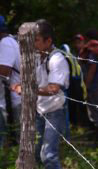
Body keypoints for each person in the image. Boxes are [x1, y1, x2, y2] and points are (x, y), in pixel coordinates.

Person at [12, 19, 69, 169]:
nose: (32, 44)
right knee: (34, 153)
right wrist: (19, 86)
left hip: (55, 111)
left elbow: (53, 89)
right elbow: (25, 81)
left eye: (36, 40)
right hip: (38, 111)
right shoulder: (35, 57)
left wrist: (27, 90)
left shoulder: (57, 59)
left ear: (48, 40)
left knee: (48, 155)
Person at [79, 29, 98, 146]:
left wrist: (87, 85)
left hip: (94, 86)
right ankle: (96, 138)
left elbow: (92, 68)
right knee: (94, 111)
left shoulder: (92, 51)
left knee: (95, 111)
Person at [0, 15, 21, 147]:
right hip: (14, 99)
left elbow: (4, 71)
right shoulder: (9, 41)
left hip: (16, 100)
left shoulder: (6, 43)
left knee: (21, 140)